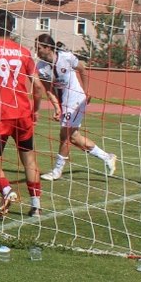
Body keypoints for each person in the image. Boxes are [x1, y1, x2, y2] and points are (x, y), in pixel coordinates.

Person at [0, 9, 47, 218]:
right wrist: (35, 110)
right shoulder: (24, 52)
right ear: (12, 28)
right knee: (29, 160)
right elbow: (38, 87)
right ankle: (36, 206)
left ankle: (7, 191)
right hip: (23, 114)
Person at [34, 33, 117, 181]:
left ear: (48, 48)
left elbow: (82, 69)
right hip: (64, 102)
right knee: (73, 137)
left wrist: (87, 91)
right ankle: (107, 157)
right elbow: (49, 90)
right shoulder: (41, 68)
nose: (37, 51)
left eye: (39, 48)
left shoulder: (65, 57)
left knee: (65, 135)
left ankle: (57, 171)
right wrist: (57, 107)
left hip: (76, 98)